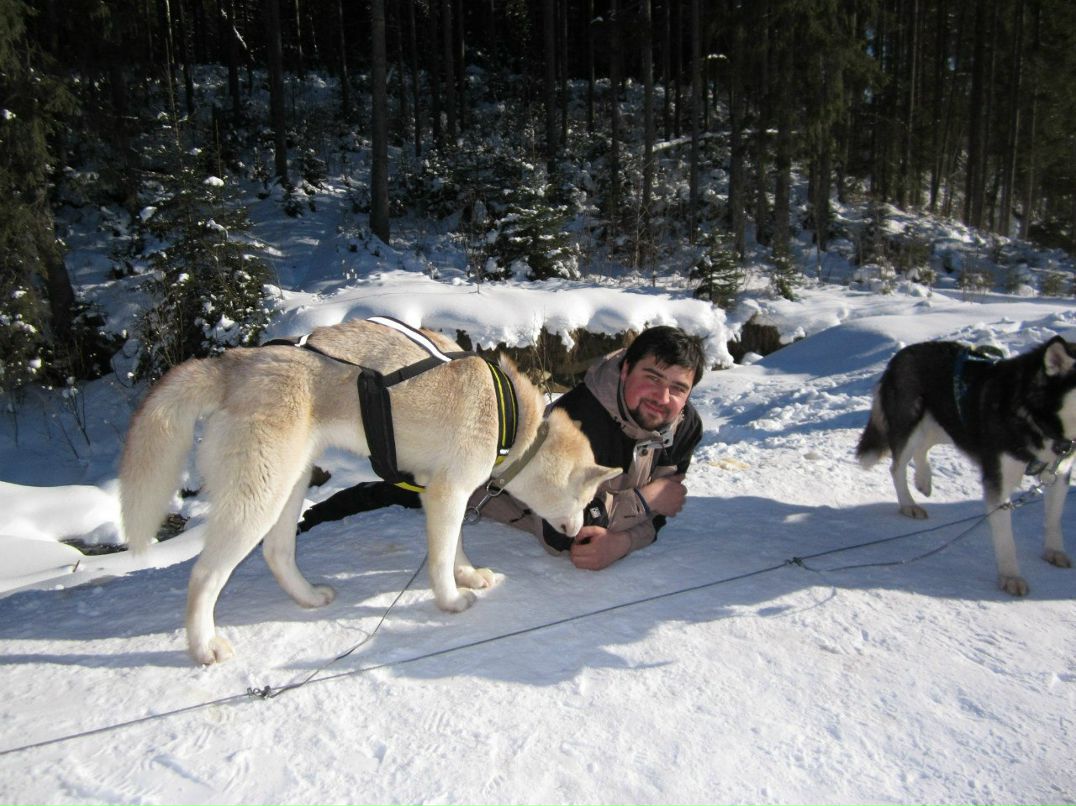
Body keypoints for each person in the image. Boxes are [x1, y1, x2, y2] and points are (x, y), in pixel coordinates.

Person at [298, 325, 705, 571]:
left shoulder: (682, 427)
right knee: (393, 492)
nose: (662, 397)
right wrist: (644, 502)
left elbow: (666, 505)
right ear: (626, 368)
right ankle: (306, 523)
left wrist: (628, 534)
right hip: (478, 489)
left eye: (678, 388)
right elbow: (566, 534)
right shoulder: (577, 423)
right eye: (651, 377)